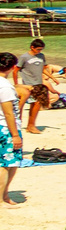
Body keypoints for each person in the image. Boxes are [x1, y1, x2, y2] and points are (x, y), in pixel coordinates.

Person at [0, 52, 22, 205]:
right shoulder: (5, 86)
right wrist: (15, 135)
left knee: (9, 164)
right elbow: (8, 113)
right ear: (13, 67)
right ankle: (2, 197)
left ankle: (4, 196)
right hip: (6, 128)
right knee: (7, 164)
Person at [18, 40, 49, 134]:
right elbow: (16, 70)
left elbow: (43, 69)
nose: (40, 51)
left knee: (37, 104)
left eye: (41, 49)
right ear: (32, 47)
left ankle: (31, 125)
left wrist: (52, 78)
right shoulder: (24, 57)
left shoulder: (41, 56)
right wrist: (17, 84)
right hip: (28, 84)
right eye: (38, 49)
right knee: (31, 104)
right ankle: (28, 125)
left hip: (39, 83)